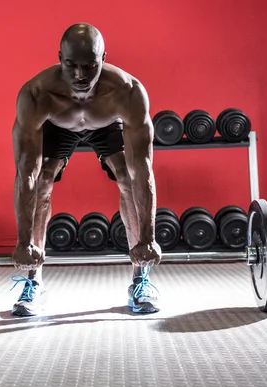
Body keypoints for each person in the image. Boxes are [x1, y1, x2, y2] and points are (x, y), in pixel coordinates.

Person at [10, 23, 162, 316]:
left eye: (90, 66)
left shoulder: (128, 93)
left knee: (128, 181)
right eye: (71, 65)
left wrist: (149, 238)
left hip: (107, 124)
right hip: (57, 124)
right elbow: (25, 172)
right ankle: (33, 281)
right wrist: (21, 241)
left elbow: (143, 170)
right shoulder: (36, 94)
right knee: (42, 181)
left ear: (104, 59)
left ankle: (141, 279)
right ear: (59, 58)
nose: (80, 76)